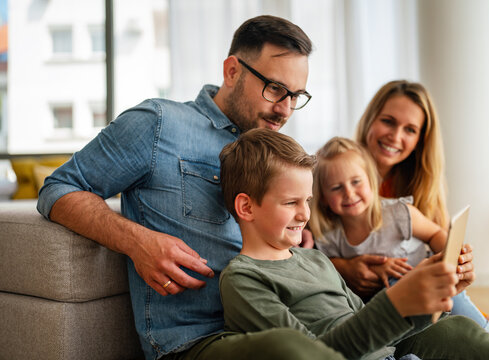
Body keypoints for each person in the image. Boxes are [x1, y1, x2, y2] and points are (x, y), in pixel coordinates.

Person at [36, 15, 347, 360]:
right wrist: (137, 242)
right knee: (290, 348)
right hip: (200, 340)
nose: (285, 109)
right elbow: (58, 187)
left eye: (296, 96)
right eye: (275, 89)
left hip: (284, 317)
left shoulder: (272, 146)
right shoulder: (158, 125)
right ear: (232, 71)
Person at [218, 127, 489, 360]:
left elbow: (363, 318)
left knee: (458, 330)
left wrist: (433, 297)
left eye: (308, 200)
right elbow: (308, 354)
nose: (305, 214)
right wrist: (399, 303)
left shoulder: (315, 260)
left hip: (393, 350)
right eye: (291, 203)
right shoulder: (243, 279)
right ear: (247, 207)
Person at [335, 79, 489, 356]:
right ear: (370, 120)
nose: (396, 136)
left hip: (428, 294)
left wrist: (459, 262)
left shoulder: (414, 191)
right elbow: (301, 248)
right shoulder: (334, 176)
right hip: (377, 304)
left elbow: (439, 240)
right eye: (388, 121)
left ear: (421, 139)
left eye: (410, 129)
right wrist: (346, 267)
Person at [310, 136, 489, 334]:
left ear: (371, 181)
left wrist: (453, 256)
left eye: (356, 182)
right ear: (323, 198)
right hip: (390, 305)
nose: (349, 193)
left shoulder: (398, 213)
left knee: (459, 305)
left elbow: (434, 234)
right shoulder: (329, 236)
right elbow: (327, 264)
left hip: (426, 283)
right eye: (336, 188)